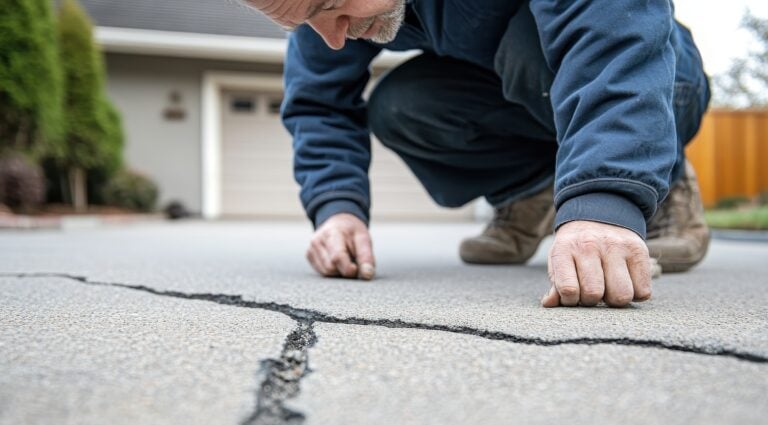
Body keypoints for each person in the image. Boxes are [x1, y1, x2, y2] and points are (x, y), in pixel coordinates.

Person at [243, 0, 711, 307]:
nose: (332, 37)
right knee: (401, 106)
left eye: (328, 5)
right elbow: (318, 100)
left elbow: (609, 30)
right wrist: (336, 209)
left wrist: (609, 198)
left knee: (530, 49)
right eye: (305, 20)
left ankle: (658, 173)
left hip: (657, 77)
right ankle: (530, 192)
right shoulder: (323, 12)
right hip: (522, 88)